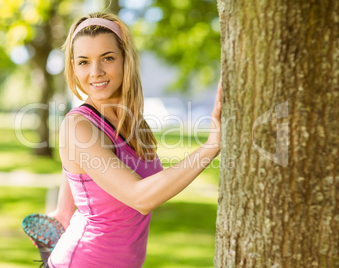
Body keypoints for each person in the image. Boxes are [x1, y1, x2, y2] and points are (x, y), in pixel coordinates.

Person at [41, 12, 222, 268]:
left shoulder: (133, 123)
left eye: (107, 58)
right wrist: (211, 147)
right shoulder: (78, 125)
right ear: (73, 67)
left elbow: (78, 171)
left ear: (125, 59)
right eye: (83, 62)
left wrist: (61, 213)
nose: (96, 72)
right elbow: (140, 198)